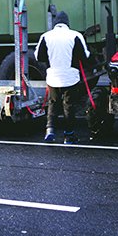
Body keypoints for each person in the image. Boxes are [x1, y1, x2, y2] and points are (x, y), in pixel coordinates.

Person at [34, 11, 91, 144]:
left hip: (53, 77)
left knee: (53, 103)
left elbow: (38, 57)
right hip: (71, 78)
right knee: (69, 105)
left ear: (55, 23)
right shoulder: (75, 35)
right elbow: (85, 55)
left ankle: (50, 130)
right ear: (67, 23)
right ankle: (68, 136)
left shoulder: (46, 36)